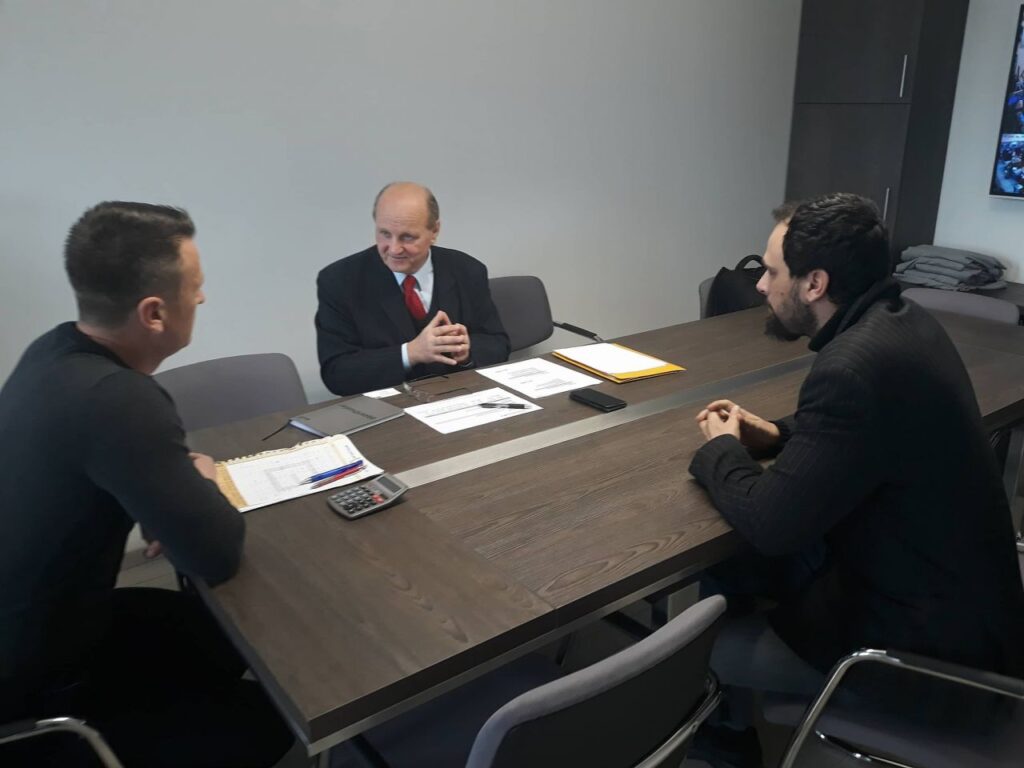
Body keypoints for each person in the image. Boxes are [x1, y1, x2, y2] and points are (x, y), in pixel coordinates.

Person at [689, 193, 1024, 765]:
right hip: (973, 617)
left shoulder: (851, 367)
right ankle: (731, 727)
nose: (761, 286)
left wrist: (719, 449)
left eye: (772, 272)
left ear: (814, 284)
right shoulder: (903, 322)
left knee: (705, 647)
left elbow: (770, 524)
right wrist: (776, 433)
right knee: (737, 565)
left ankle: (726, 742)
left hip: (925, 664)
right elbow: (863, 428)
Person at [0, 202, 293, 766]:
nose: (202, 298)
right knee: (276, 717)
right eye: (196, 285)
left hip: (36, 622)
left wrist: (164, 497)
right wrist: (201, 478)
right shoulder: (118, 401)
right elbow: (215, 554)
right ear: (154, 313)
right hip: (40, 679)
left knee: (217, 638)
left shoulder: (52, 352)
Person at [316, 182, 510, 396]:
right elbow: (337, 373)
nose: (394, 249)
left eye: (407, 237)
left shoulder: (467, 270)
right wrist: (410, 353)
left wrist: (466, 352)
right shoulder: (340, 281)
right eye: (384, 234)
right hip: (387, 407)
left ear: (434, 231)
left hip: (459, 397)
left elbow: (497, 343)